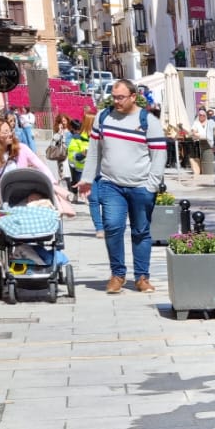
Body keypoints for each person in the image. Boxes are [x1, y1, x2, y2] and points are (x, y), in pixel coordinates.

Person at [78, 77, 169, 294]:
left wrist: (152, 185)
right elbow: (94, 151)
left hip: (141, 186)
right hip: (111, 184)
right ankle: (117, 275)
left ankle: (142, 277)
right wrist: (87, 178)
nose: (116, 101)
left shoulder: (149, 121)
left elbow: (159, 155)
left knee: (140, 231)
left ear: (133, 96)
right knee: (112, 226)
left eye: (121, 97)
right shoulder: (103, 117)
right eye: (114, 97)